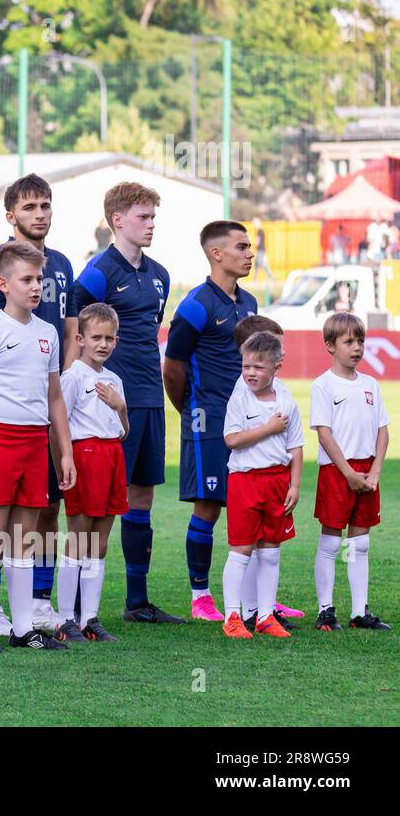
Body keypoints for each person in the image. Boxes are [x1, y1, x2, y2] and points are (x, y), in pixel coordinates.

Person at [70, 182, 181, 624]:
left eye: (153, 217)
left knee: (142, 496)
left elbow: (150, 332)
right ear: (117, 220)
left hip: (148, 398)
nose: (151, 224)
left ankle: (137, 601)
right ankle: (76, 603)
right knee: (96, 502)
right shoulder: (98, 273)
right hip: (104, 399)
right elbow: (74, 331)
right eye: (143, 216)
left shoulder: (160, 274)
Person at [0, 241, 75, 653]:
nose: (36, 287)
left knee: (24, 539)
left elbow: (55, 397)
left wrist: (64, 451)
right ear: (4, 284)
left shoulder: (47, 333)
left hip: (33, 442)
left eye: (39, 279)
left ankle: (24, 628)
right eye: (27, 279)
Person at [162, 220, 257, 621]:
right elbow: (172, 367)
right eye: (242, 246)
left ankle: (256, 600)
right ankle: (200, 597)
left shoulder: (248, 303)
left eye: (250, 246)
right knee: (209, 505)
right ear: (217, 253)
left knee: (252, 501)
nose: (250, 253)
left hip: (246, 416)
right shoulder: (196, 304)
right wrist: (192, 411)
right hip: (207, 418)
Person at [310, 313, 391, 631]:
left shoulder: (371, 384)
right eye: (348, 341)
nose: (356, 347)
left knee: (360, 544)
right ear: (330, 346)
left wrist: (374, 472)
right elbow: (324, 434)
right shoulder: (323, 385)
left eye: (360, 341)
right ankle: (325, 610)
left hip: (367, 471)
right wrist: (348, 474)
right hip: (337, 472)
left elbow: (383, 431)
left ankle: (359, 612)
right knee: (331, 541)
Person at [219, 332, 302, 639]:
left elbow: (296, 446)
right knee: (241, 551)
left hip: (277, 482)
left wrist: (294, 485)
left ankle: (265, 616)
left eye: (258, 367)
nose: (250, 373)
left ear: (277, 367)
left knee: (270, 552)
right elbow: (232, 440)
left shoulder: (286, 398)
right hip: (246, 481)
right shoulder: (240, 398)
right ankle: (232, 617)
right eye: (246, 366)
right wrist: (268, 428)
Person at [56, 303, 127, 643]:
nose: (103, 344)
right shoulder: (73, 376)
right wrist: (65, 462)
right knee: (78, 538)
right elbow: (60, 424)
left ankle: (90, 618)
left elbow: (123, 429)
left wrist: (120, 406)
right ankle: (66, 618)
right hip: (85, 456)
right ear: (80, 339)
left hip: (112, 455)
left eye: (109, 338)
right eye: (96, 337)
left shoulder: (114, 380)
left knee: (99, 543)